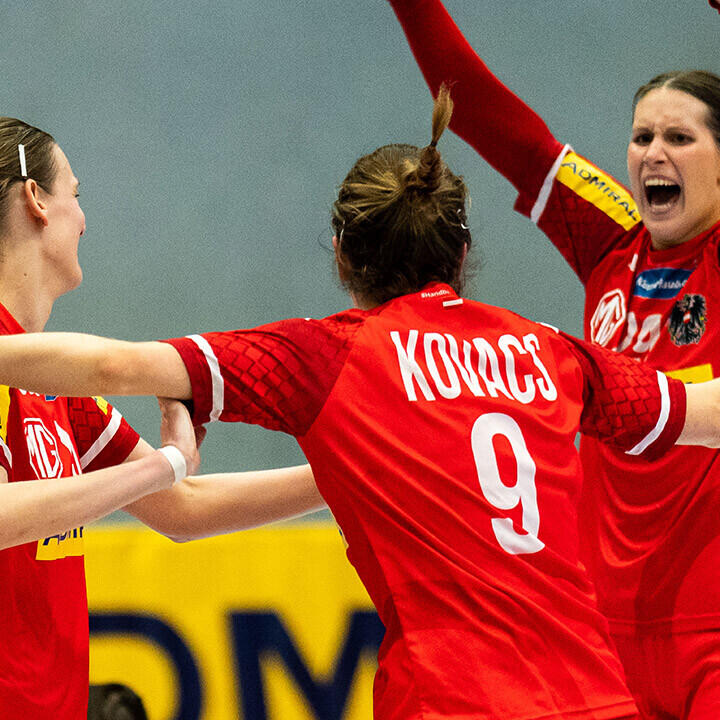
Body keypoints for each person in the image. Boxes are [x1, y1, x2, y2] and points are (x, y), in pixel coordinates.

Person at [2, 90, 720, 720]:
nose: (88, 217)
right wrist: (384, 467)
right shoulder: (550, 350)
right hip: (597, 693)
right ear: (463, 249)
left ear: (342, 255)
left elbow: (116, 373)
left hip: (448, 698)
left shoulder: (331, 356)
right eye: (78, 192)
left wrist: (387, 463)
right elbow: (701, 414)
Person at [383, 1, 720, 718]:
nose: (653, 152)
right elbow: (476, 108)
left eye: (681, 138)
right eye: (641, 136)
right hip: (601, 635)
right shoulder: (610, 239)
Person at [0, 117, 321, 718]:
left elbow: (184, 504)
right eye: (76, 193)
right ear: (34, 200)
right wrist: (159, 469)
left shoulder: (50, 384)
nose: (84, 217)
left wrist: (347, 474)